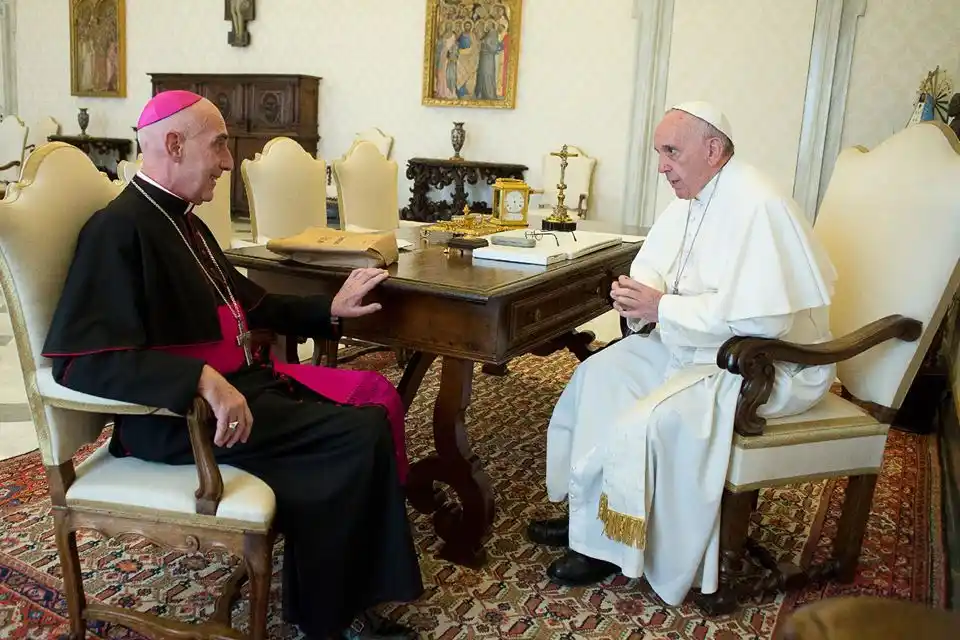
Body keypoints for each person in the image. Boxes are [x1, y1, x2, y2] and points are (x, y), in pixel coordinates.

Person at [42, 90, 424, 640]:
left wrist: (328, 310)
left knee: (362, 424)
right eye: (219, 145)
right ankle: (330, 621)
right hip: (177, 423)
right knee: (355, 436)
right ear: (174, 144)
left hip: (237, 399)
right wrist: (198, 379)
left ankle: (334, 605)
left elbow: (251, 305)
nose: (227, 162)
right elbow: (81, 364)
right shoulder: (117, 229)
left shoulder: (186, 223)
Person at [526, 102, 838, 605]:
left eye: (671, 151)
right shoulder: (692, 197)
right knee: (598, 376)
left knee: (652, 420)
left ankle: (621, 546)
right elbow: (657, 265)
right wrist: (637, 295)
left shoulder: (757, 203)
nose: (661, 166)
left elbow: (762, 323)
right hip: (695, 345)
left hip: (761, 363)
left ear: (713, 149)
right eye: (659, 153)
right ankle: (592, 521)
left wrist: (662, 307)